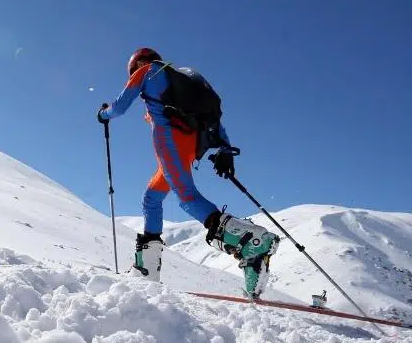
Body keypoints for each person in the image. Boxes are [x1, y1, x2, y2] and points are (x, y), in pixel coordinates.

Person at [97, 47, 278, 298]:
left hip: (169, 143)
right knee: (152, 198)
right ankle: (147, 270)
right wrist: (224, 150)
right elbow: (214, 120)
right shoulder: (182, 79)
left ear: (138, 63)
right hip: (188, 147)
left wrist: (102, 114)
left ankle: (252, 242)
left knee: (187, 197)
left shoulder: (147, 72)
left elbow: (118, 108)